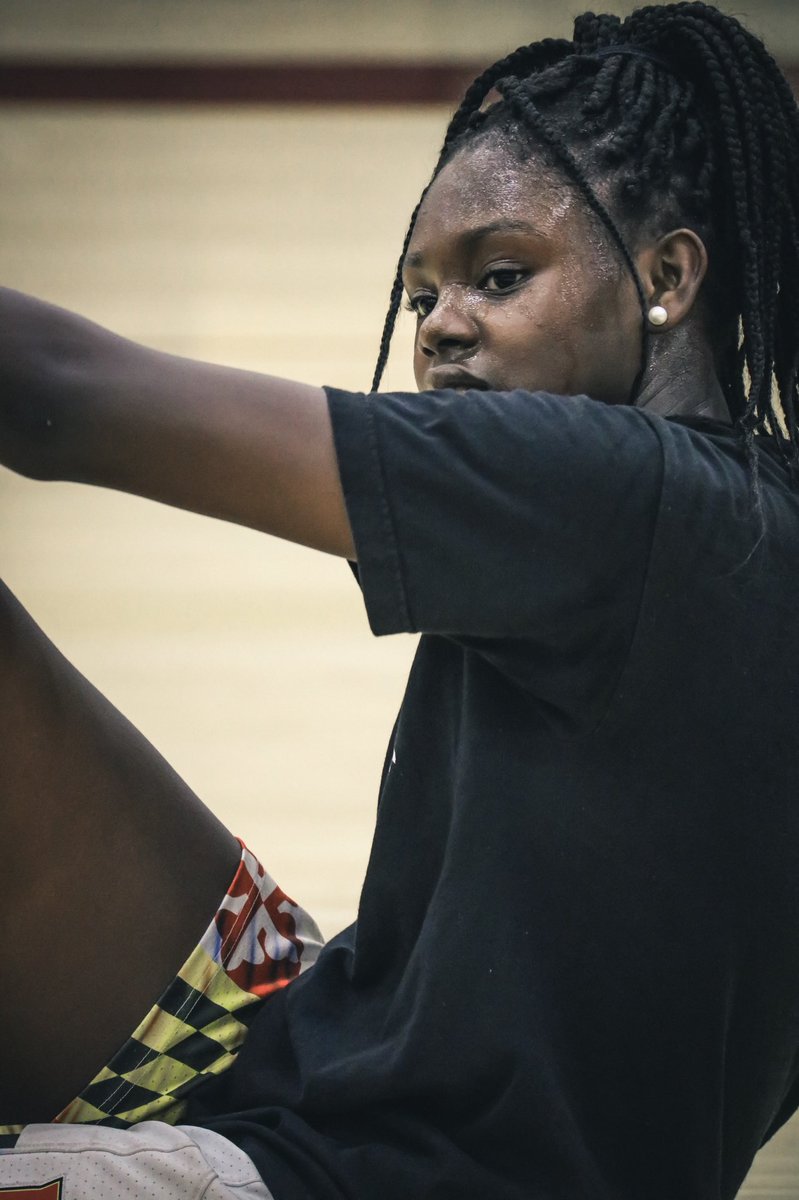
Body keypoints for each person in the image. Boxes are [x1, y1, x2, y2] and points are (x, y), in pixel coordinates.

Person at [1, 1, 799, 1196]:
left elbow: (55, 391)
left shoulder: (620, 496)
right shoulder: (748, 525)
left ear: (666, 277)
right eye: (421, 297)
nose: (443, 330)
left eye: (500, 275)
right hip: (306, 1038)